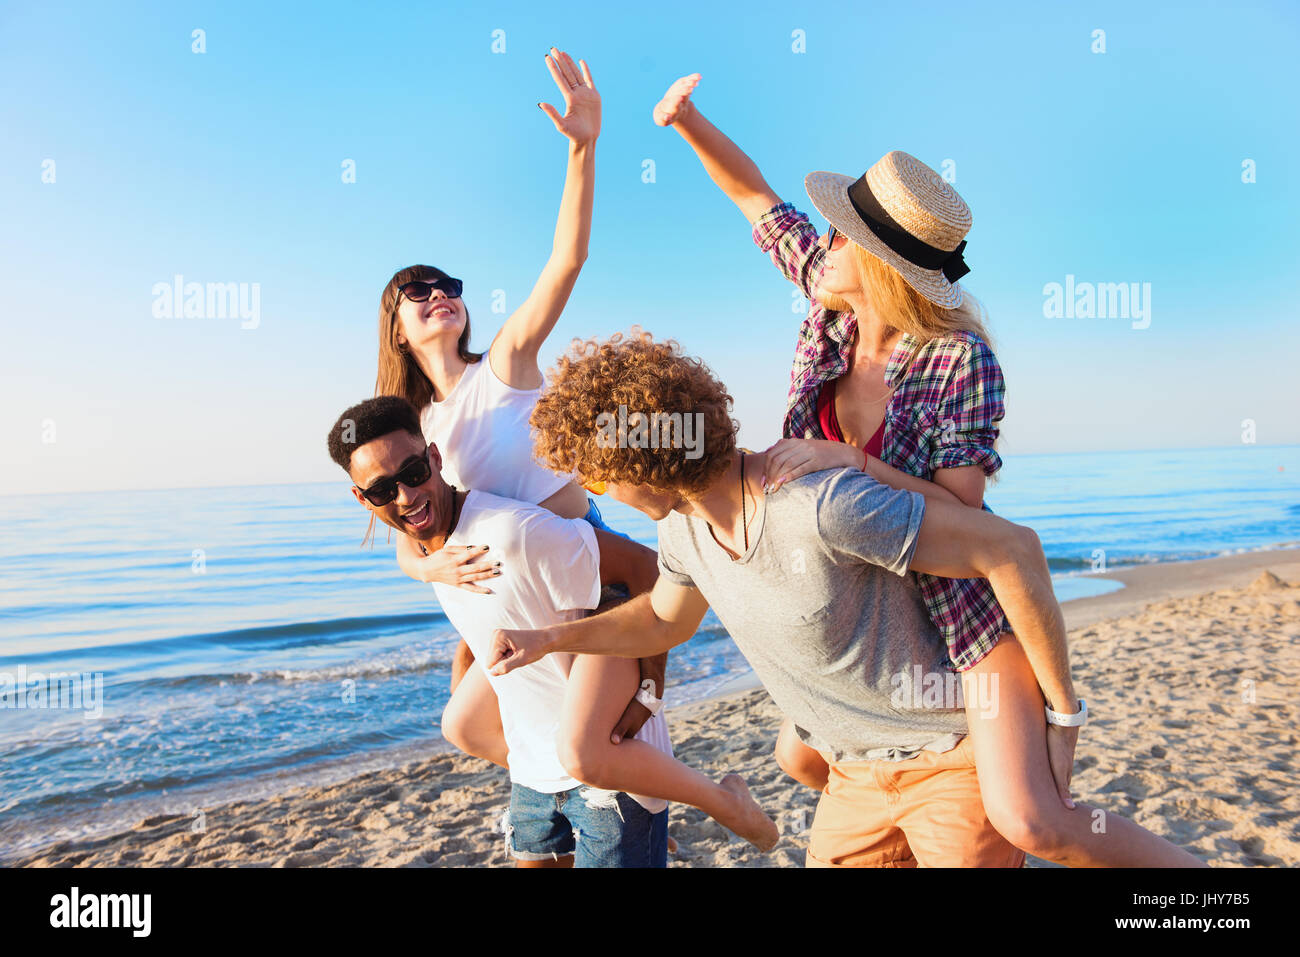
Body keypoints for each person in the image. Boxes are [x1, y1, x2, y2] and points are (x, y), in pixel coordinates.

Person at [648, 74, 1207, 867]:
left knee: (1033, 819)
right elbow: (757, 200)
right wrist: (687, 121)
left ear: (878, 264)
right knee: (799, 757)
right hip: (857, 616)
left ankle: (1203, 889)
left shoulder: (959, 360)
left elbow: (968, 522)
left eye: (841, 236)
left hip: (954, 626)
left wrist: (848, 460)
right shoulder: (829, 310)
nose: (824, 243)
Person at [488, 331, 1204, 867]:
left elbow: (1009, 548)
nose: (598, 490)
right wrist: (550, 639)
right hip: (852, 778)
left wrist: (1062, 709)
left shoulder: (818, 504)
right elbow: (664, 618)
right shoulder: (684, 533)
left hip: (950, 759)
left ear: (643, 460)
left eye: (600, 472)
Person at [327, 396, 778, 866]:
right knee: (459, 725)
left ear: (435, 460)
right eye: (382, 490)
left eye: (415, 474)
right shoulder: (427, 553)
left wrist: (651, 685)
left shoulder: (513, 532)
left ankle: (709, 803)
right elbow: (487, 616)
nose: (405, 497)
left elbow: (647, 568)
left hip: (607, 771)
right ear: (363, 499)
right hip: (532, 777)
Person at [373, 49, 658, 779]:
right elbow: (406, 533)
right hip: (499, 600)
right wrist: (421, 564)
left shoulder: (504, 364)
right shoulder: (412, 432)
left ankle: (633, 785)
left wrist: (582, 148)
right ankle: (577, 783)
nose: (439, 293)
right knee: (465, 723)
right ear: (397, 328)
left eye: (448, 286)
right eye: (418, 290)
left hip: (580, 565)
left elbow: (567, 260)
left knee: (607, 746)